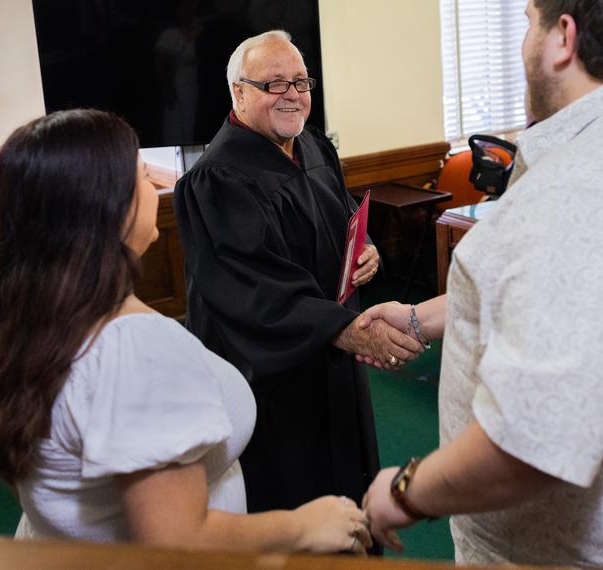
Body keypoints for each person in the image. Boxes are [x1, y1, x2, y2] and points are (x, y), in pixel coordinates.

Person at [0, 109, 373, 554]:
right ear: (110, 207)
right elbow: (177, 541)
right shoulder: (134, 350)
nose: (153, 185)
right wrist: (304, 525)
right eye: (139, 173)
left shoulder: (28, 323)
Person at [360, 1, 603, 566]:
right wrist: (417, 319)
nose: (522, 40)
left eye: (530, 22)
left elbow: (531, 442)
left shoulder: (587, 187)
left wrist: (404, 492)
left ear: (563, 38)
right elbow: (564, 298)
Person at [173, 30, 422, 517]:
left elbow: (342, 215)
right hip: (273, 373)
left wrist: (366, 247)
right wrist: (344, 329)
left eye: (300, 82)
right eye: (274, 84)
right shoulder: (217, 181)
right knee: (295, 493)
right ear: (238, 93)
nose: (292, 94)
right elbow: (251, 289)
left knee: (348, 473)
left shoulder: (310, 145)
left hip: (332, 348)